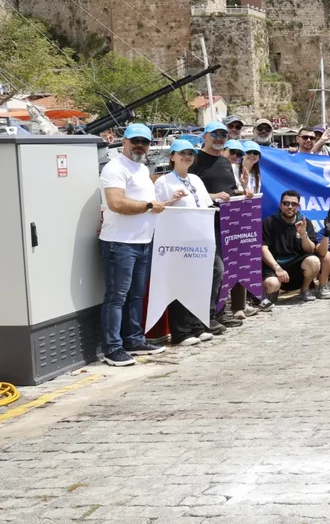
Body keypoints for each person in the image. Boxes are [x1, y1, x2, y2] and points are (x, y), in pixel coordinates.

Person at [98, 123, 169, 366]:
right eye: (135, 140)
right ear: (124, 141)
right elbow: (116, 203)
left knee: (136, 295)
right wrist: (149, 207)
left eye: (145, 141)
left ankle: (134, 339)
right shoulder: (114, 168)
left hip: (142, 242)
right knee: (116, 297)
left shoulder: (140, 168)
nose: (140, 145)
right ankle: (113, 348)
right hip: (120, 243)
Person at [153, 140, 220, 344]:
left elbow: (206, 207)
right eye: (182, 153)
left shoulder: (196, 180)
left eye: (190, 153)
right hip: (177, 240)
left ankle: (197, 326)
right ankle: (181, 331)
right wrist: (171, 200)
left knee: (199, 283)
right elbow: (156, 209)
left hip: (200, 240)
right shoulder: (163, 182)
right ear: (172, 156)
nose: (187, 157)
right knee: (180, 284)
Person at [190, 120, 247, 327]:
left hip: (225, 224)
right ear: (205, 136)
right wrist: (213, 196)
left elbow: (230, 191)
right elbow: (189, 189)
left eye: (223, 135)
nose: (219, 138)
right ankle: (207, 316)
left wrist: (243, 193)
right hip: (203, 225)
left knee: (224, 271)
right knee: (216, 270)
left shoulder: (225, 162)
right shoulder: (194, 160)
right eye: (215, 134)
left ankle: (218, 312)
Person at [262, 190, 330, 302]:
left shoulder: (305, 222)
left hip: (297, 268)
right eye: (286, 203)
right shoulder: (268, 222)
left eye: (294, 204)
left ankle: (304, 290)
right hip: (276, 267)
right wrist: (277, 268)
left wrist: (303, 234)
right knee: (271, 284)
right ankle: (273, 292)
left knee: (314, 261)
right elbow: (263, 248)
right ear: (280, 205)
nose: (290, 207)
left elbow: (310, 249)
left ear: (298, 206)